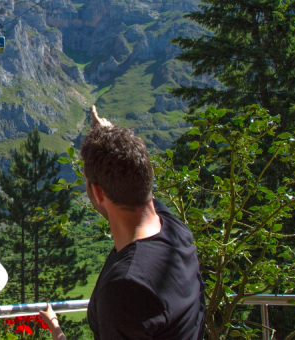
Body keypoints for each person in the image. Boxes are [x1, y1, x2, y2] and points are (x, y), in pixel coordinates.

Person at [40, 106, 205, 339]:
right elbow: (133, 175)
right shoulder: (175, 229)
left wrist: (57, 333)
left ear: (97, 193)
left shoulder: (125, 288)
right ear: (148, 176)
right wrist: (109, 135)